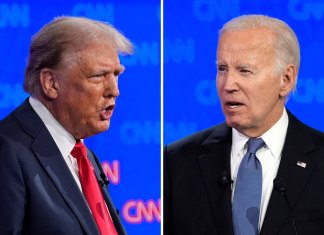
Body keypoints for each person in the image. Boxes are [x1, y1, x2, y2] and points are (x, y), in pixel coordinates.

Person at [164, 14, 324, 235]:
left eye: (244, 71)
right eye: (222, 69)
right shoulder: (176, 162)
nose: (228, 84)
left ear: (286, 80)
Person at [0, 16, 133, 235]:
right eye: (99, 76)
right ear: (51, 83)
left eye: (116, 75)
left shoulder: (85, 156)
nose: (114, 90)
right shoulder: (8, 150)